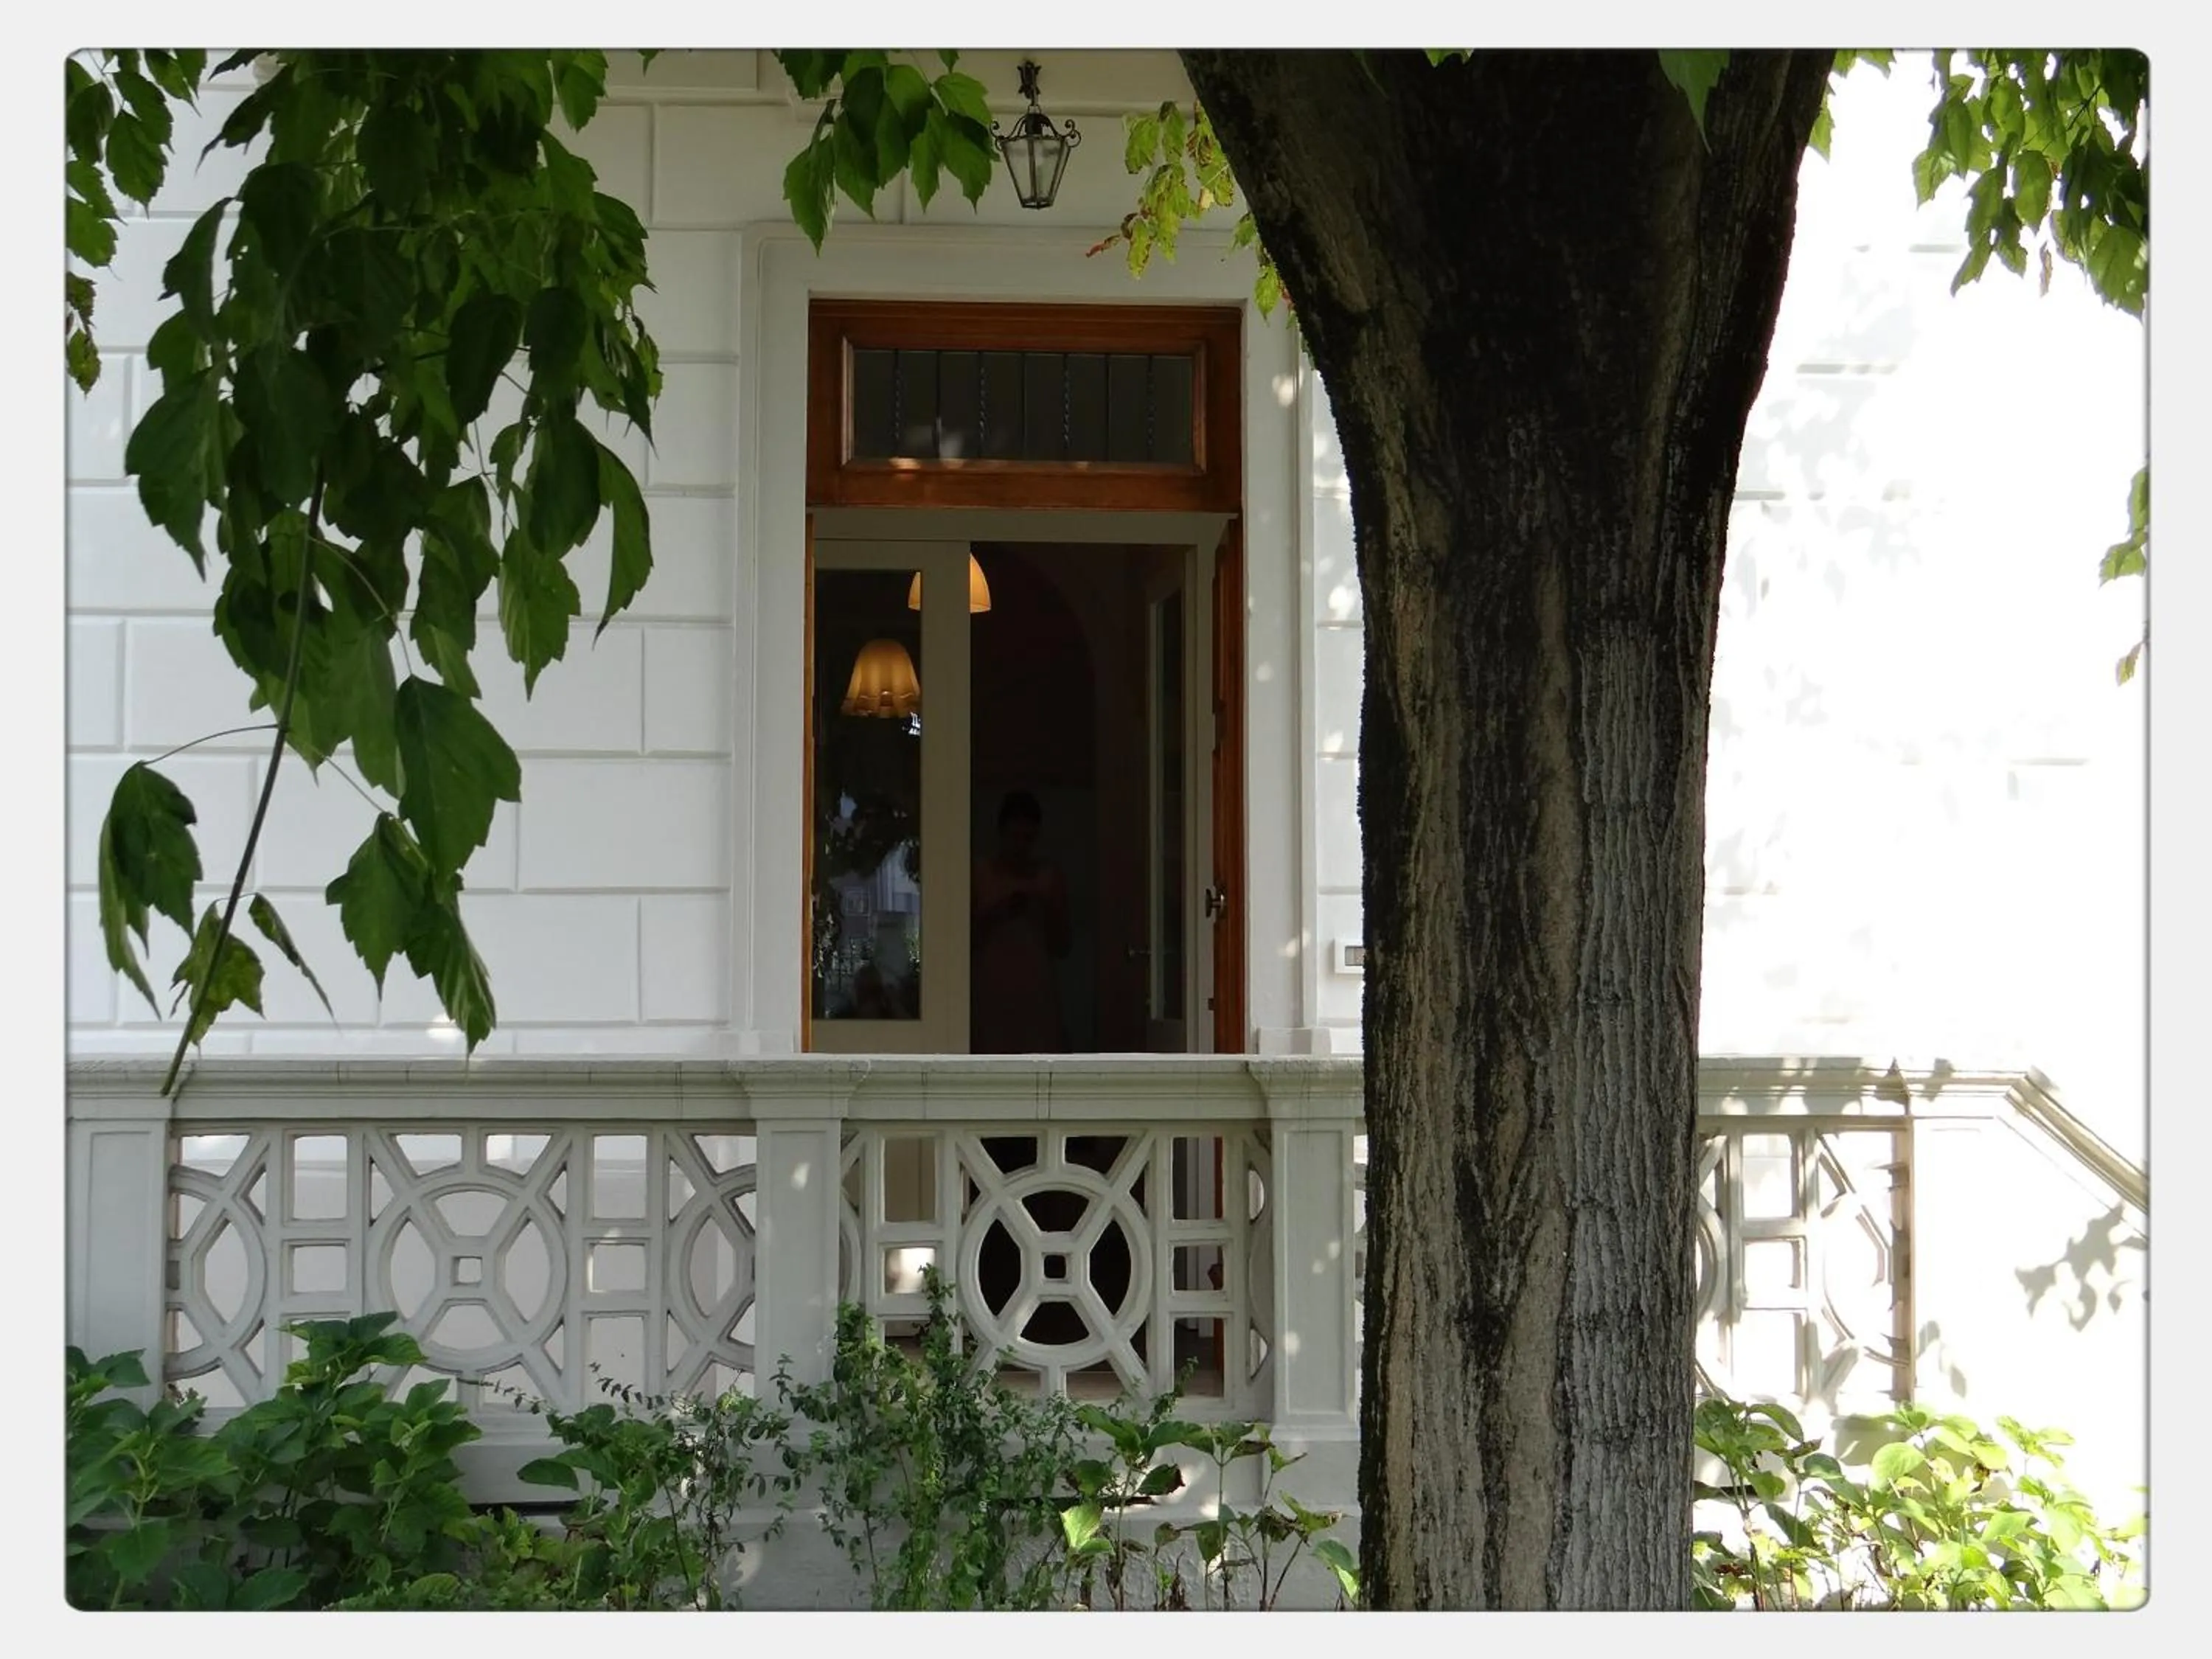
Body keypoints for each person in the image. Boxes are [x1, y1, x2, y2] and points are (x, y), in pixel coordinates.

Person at [971, 790, 1070, 1053]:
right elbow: (961, 941)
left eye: (1028, 839)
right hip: (992, 991)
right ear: (1001, 834)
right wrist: (998, 911)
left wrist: (1044, 908)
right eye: (1015, 837)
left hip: (1037, 993)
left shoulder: (1048, 878)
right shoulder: (979, 874)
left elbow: (1063, 946)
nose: (1020, 846)